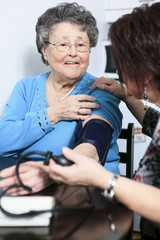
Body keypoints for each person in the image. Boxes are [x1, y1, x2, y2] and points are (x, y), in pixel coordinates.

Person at [48, 3, 160, 240]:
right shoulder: (27, 88)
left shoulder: (97, 93)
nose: (118, 71)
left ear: (146, 71)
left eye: (124, 64)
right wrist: (126, 94)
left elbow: (97, 132)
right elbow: (154, 123)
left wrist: (101, 178)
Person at [0, 3, 122, 195]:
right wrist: (53, 114)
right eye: (63, 44)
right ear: (45, 51)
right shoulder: (26, 88)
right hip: (29, 188)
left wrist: (49, 172)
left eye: (81, 44)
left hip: (86, 193)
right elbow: (3, 142)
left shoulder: (100, 89)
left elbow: (93, 144)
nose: (73, 52)